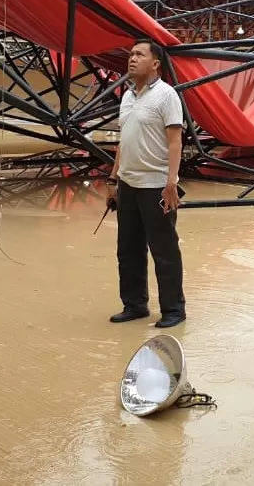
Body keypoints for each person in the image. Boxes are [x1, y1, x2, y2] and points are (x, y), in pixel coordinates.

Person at [106, 39, 186, 329]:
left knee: (164, 250)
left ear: (155, 64)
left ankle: (174, 310)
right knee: (128, 249)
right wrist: (113, 178)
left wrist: (171, 183)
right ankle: (135, 305)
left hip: (156, 186)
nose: (132, 58)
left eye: (139, 54)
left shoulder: (166, 95)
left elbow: (175, 142)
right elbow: (124, 141)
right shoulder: (127, 97)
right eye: (130, 54)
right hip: (128, 184)